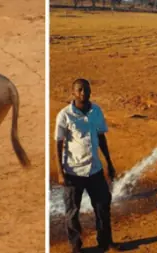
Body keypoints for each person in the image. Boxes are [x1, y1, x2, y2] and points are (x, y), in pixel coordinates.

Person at [54, 78, 119, 253]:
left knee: (102, 206)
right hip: (73, 172)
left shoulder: (96, 111)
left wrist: (109, 163)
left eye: (87, 90)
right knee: (72, 212)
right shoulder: (65, 115)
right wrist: (60, 172)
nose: (84, 93)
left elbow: (101, 137)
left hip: (95, 169)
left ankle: (106, 242)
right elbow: (58, 144)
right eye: (80, 90)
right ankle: (76, 246)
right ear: (73, 93)